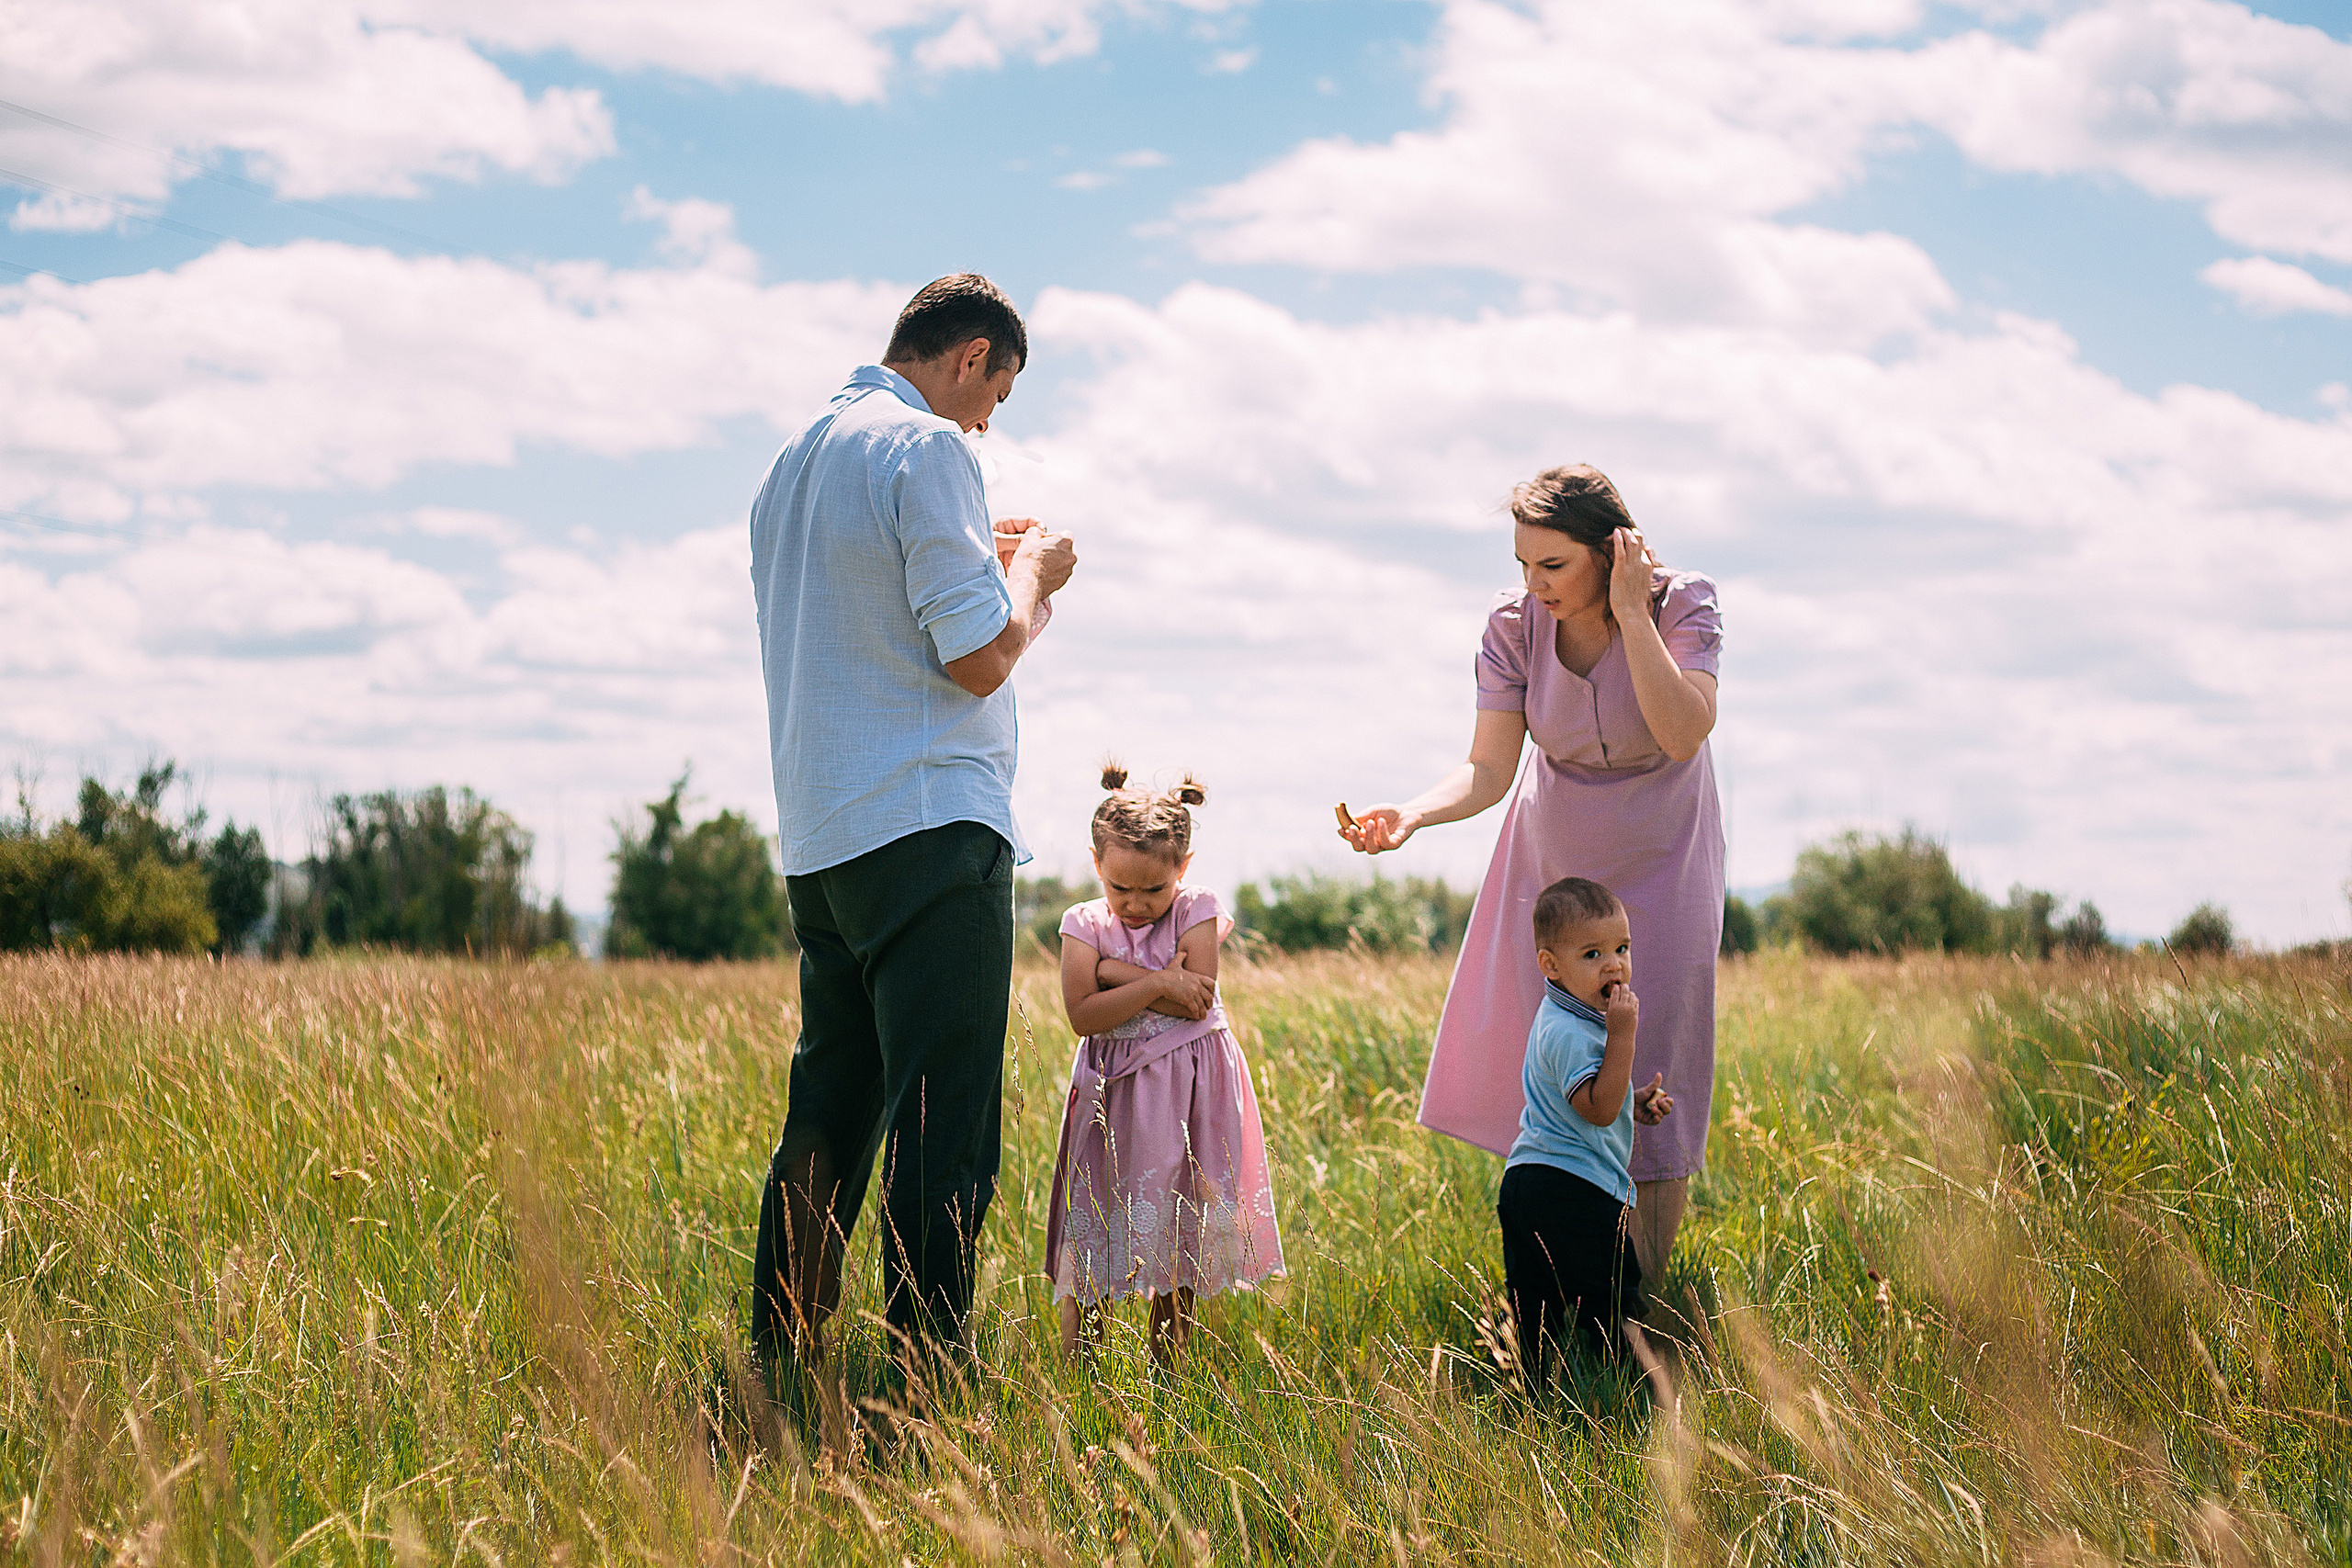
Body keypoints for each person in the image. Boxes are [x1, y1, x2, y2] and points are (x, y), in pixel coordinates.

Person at [747, 274, 1078, 1377]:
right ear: (972, 356)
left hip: (822, 836)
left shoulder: (792, 461)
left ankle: (783, 1352)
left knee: (829, 1111)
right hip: (930, 825)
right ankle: (926, 1374)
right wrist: (1031, 576)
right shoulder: (929, 447)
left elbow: (881, 624)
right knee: (945, 1124)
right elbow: (976, 658)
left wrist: (990, 566)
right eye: (998, 395)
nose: (987, 424)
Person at [1340, 463, 1721, 1285]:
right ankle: (1558, 1277)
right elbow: (1487, 768)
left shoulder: (1681, 603)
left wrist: (1632, 615)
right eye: (1523, 563)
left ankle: (1640, 1297)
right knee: (1558, 1061)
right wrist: (1411, 814)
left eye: (1552, 564)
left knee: (1654, 1060)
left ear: (1612, 551)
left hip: (1667, 862)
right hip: (1554, 868)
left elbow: (1683, 731)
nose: (1533, 583)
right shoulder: (1514, 626)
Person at [1046, 764, 1283, 1362]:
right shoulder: (1082, 923)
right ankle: (1081, 1373)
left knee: (1182, 1223)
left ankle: (1168, 1368)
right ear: (1096, 862)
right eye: (1119, 888)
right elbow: (1083, 1013)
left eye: (1153, 889)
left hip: (1190, 1090)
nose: (1135, 904)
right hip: (1113, 1093)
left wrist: (1112, 973)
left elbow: (1195, 998)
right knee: (1096, 1221)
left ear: (1183, 866)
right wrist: (1156, 980)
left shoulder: (1196, 907)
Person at [1499, 876, 1674, 1385]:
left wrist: (1631, 1103)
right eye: (1593, 954)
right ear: (1550, 964)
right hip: (1575, 1189)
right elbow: (1597, 1110)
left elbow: (1587, 1100)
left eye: (1622, 948)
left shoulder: (1562, 1017)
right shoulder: (1571, 1030)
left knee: (1537, 1310)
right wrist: (1624, 1038)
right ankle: (1633, 1394)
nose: (1614, 965)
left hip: (1531, 1182)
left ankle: (1533, 1391)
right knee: (1611, 1304)